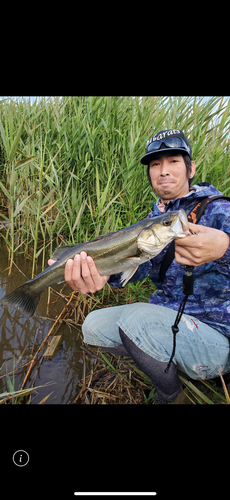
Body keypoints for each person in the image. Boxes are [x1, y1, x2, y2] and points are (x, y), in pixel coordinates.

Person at [48, 129, 230, 403]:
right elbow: (137, 270)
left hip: (218, 332)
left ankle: (171, 394)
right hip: (167, 318)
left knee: (136, 322)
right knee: (93, 325)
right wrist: (104, 274)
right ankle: (170, 361)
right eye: (155, 164)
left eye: (173, 162)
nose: (163, 171)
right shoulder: (152, 220)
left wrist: (225, 248)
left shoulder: (219, 210)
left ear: (191, 168)